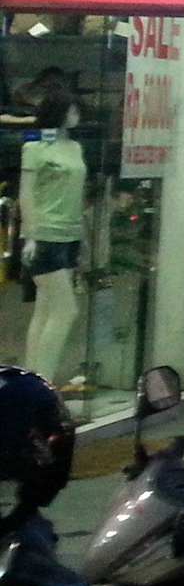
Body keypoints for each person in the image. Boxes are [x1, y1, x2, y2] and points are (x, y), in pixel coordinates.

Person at [19, 96, 86, 386]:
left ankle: (32, 381)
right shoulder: (34, 148)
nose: (76, 115)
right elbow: (26, 194)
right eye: (71, 109)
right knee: (65, 310)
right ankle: (44, 383)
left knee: (45, 309)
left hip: (70, 233)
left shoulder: (75, 147)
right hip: (44, 234)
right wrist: (31, 234)